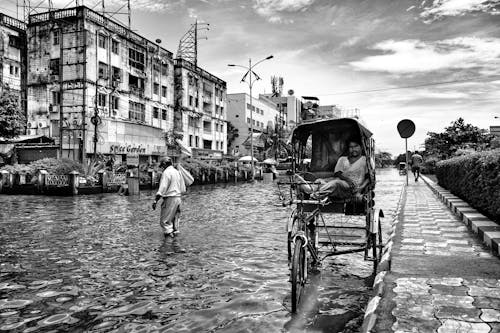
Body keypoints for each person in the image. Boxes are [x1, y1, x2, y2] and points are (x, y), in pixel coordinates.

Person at [295, 140, 370, 199]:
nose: (353, 149)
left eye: (356, 146)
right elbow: (337, 173)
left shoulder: (365, 160)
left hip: (352, 188)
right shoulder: (342, 159)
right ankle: (310, 189)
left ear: (361, 147)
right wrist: (347, 179)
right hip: (341, 181)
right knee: (320, 180)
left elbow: (369, 178)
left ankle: (316, 195)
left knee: (336, 183)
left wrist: (360, 189)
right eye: (351, 147)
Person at [152, 157, 183, 237]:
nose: (162, 168)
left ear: (165, 164)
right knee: (175, 222)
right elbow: (183, 187)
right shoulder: (177, 172)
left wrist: (156, 200)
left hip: (170, 198)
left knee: (165, 222)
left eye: (162, 166)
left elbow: (162, 188)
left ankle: (168, 245)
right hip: (178, 198)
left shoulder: (166, 172)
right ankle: (176, 243)